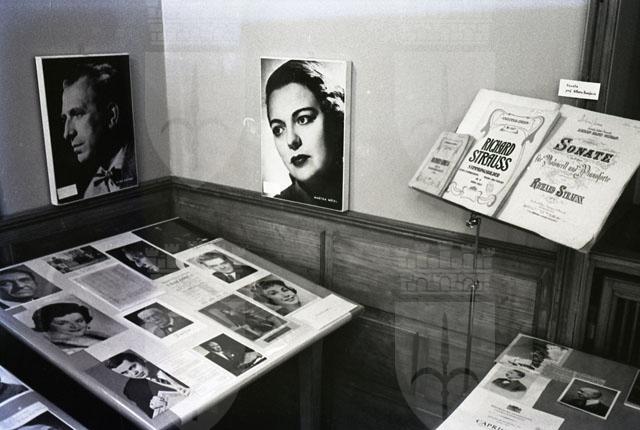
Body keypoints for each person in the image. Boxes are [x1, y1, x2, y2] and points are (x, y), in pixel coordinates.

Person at [264, 60, 345, 209]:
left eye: (303, 119)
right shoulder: (274, 209)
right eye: (278, 129)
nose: (291, 141)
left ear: (335, 117)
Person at [60, 62, 136, 198]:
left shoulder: (142, 165)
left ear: (111, 116)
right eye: (65, 118)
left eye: (77, 114)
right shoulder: (90, 192)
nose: (67, 133)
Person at [106, 352, 189, 419]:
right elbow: (155, 417)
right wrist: (157, 408)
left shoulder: (164, 359)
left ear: (140, 359)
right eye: (125, 373)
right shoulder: (132, 389)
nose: (134, 373)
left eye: (133, 367)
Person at [32, 302, 108, 354]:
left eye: (79, 321)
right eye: (62, 323)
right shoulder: (58, 349)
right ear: (47, 325)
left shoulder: (97, 335)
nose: (75, 326)